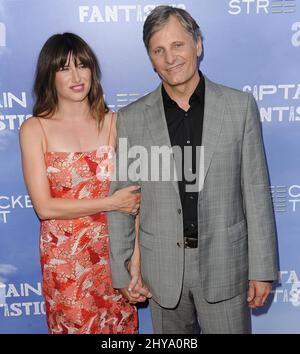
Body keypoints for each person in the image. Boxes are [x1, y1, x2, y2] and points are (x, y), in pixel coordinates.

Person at [108, 6, 278, 334]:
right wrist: (123, 268)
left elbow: (255, 193)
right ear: (150, 59)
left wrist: (262, 269)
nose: (170, 57)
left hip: (225, 264)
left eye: (178, 45)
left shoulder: (238, 108)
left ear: (198, 45)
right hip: (162, 272)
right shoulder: (132, 118)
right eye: (158, 50)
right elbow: (122, 200)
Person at [19, 32, 145, 334]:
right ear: (49, 76)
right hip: (66, 267)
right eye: (64, 68)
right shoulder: (35, 129)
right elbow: (44, 207)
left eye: (82, 65)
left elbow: (138, 202)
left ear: (93, 71)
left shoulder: (116, 123)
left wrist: (136, 263)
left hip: (116, 258)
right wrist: (110, 203)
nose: (76, 76)